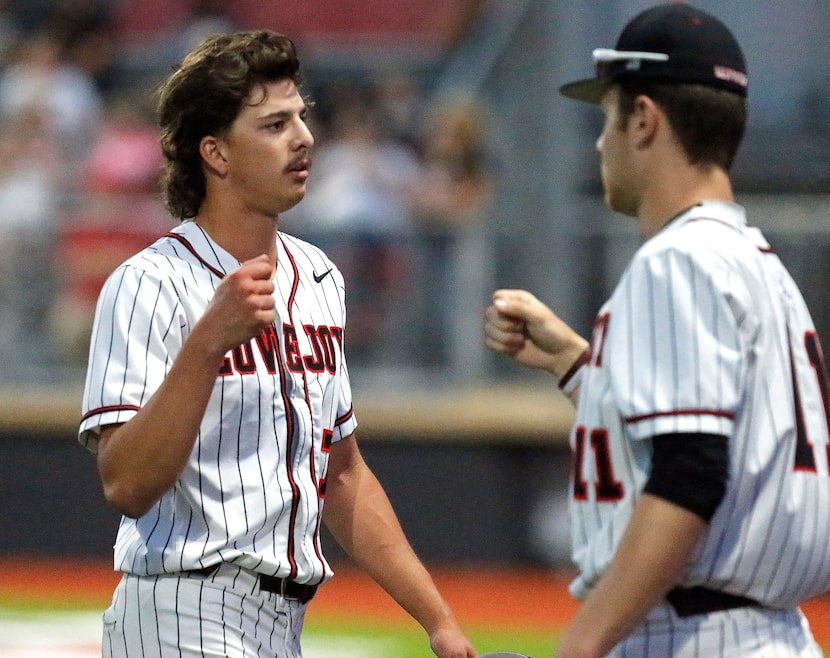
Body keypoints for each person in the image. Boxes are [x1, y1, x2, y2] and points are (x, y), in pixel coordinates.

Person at [78, 29, 476, 658]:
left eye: (302, 116)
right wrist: (209, 342)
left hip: (282, 623)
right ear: (216, 153)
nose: (304, 137)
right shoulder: (149, 283)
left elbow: (341, 475)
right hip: (182, 608)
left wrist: (439, 621)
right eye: (273, 124)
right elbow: (125, 483)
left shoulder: (318, 277)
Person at [484, 4, 830, 657]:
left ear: (643, 119)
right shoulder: (759, 265)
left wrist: (580, 646)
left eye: (606, 116)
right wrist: (576, 365)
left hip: (693, 636)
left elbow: (690, 476)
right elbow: (719, 443)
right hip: (762, 632)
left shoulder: (677, 260)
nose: (599, 141)